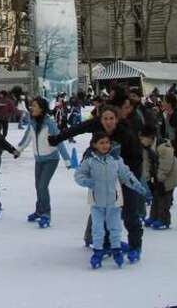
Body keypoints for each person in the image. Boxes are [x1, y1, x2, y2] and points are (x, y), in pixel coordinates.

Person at [49, 103, 145, 262]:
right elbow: (76, 128)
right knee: (106, 210)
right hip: (104, 178)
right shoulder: (96, 125)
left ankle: (135, 246)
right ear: (100, 119)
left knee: (130, 213)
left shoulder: (126, 134)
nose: (108, 122)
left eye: (111, 119)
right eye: (105, 118)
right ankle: (106, 243)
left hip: (125, 174)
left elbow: (137, 158)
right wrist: (57, 138)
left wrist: (130, 181)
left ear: (117, 119)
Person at [74, 131, 146, 269]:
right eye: (101, 143)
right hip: (97, 202)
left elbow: (126, 175)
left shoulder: (116, 160)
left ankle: (116, 250)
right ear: (94, 145)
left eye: (107, 142)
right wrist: (86, 182)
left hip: (114, 201)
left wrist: (137, 186)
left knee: (115, 228)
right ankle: (98, 251)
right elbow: (78, 175)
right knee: (98, 229)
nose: (105, 145)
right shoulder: (90, 161)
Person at [18, 96, 71, 227]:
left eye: (34, 106)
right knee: (38, 186)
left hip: (51, 159)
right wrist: (18, 149)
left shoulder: (50, 123)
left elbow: (58, 141)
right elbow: (27, 138)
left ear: (41, 109)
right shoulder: (32, 122)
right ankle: (39, 210)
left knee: (42, 186)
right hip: (39, 160)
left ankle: (46, 214)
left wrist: (67, 159)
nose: (31, 108)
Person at [139, 124, 177, 230]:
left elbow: (166, 164)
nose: (140, 140)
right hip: (157, 176)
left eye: (142, 138)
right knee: (156, 197)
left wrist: (160, 179)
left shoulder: (164, 147)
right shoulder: (146, 148)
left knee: (164, 199)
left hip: (169, 178)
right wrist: (148, 178)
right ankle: (153, 217)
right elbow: (146, 163)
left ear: (150, 137)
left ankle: (164, 220)